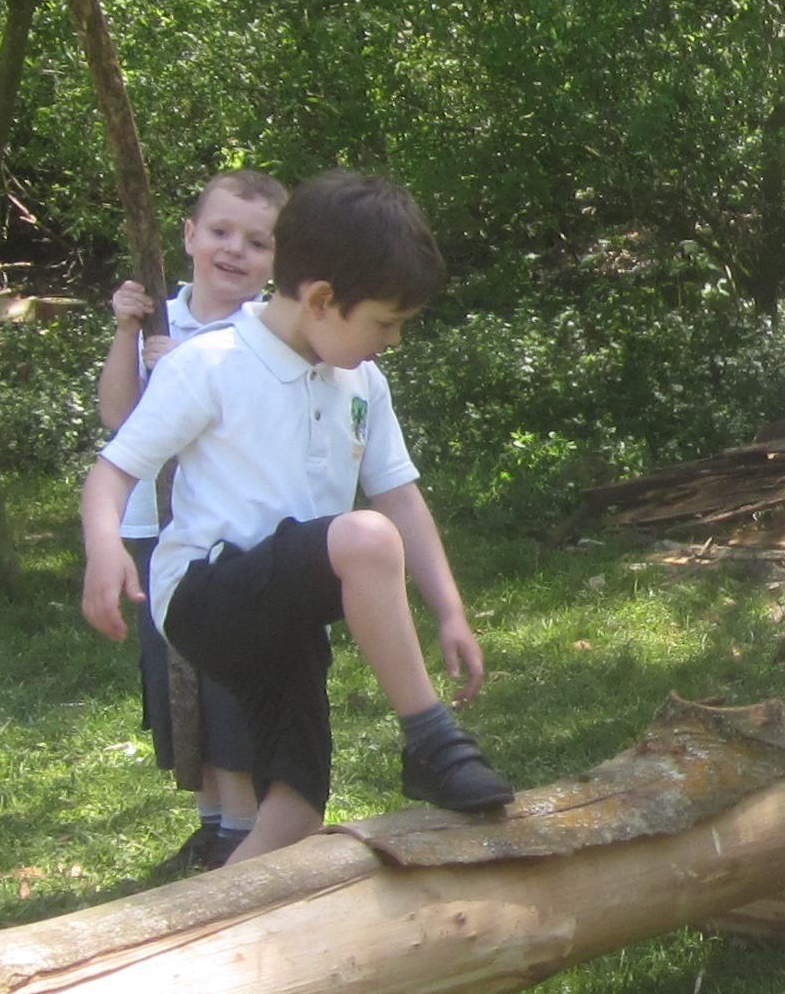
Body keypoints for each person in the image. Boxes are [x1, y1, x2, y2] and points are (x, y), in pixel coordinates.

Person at [83, 169, 511, 851]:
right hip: (207, 595)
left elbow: (399, 494)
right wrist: (105, 547)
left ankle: (221, 914)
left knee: (295, 814)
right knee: (365, 538)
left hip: (289, 618)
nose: (392, 341)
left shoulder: (362, 382)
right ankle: (432, 742)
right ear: (321, 299)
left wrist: (451, 611)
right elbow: (113, 471)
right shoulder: (210, 363)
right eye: (385, 323)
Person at [96, 169, 286, 873]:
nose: (235, 250)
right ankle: (210, 821)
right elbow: (119, 418)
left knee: (222, 676)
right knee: (171, 674)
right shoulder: (159, 320)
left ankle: (243, 827)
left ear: (277, 260)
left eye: (257, 242)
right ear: (188, 236)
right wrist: (128, 332)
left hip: (225, 532)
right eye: (220, 232)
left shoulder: (264, 335)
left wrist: (189, 372)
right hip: (155, 524)